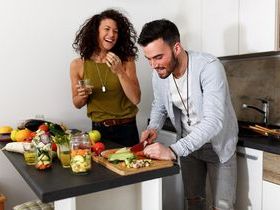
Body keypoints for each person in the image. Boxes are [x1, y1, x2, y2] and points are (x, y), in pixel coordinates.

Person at [138, 19, 238, 210]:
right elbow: (159, 105)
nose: (153, 65)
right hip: (189, 147)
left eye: (158, 57)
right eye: (148, 59)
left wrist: (174, 150)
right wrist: (153, 127)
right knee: (194, 202)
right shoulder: (159, 73)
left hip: (218, 145)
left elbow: (214, 121)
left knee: (223, 206)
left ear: (176, 48)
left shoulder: (209, 67)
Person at [70, 9, 141, 147]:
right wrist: (83, 96)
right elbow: (77, 103)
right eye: (107, 29)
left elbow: (136, 98)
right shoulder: (78, 65)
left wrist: (119, 71)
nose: (112, 35)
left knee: (130, 167)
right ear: (95, 32)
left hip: (127, 129)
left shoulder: (126, 61)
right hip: (99, 131)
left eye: (116, 31)